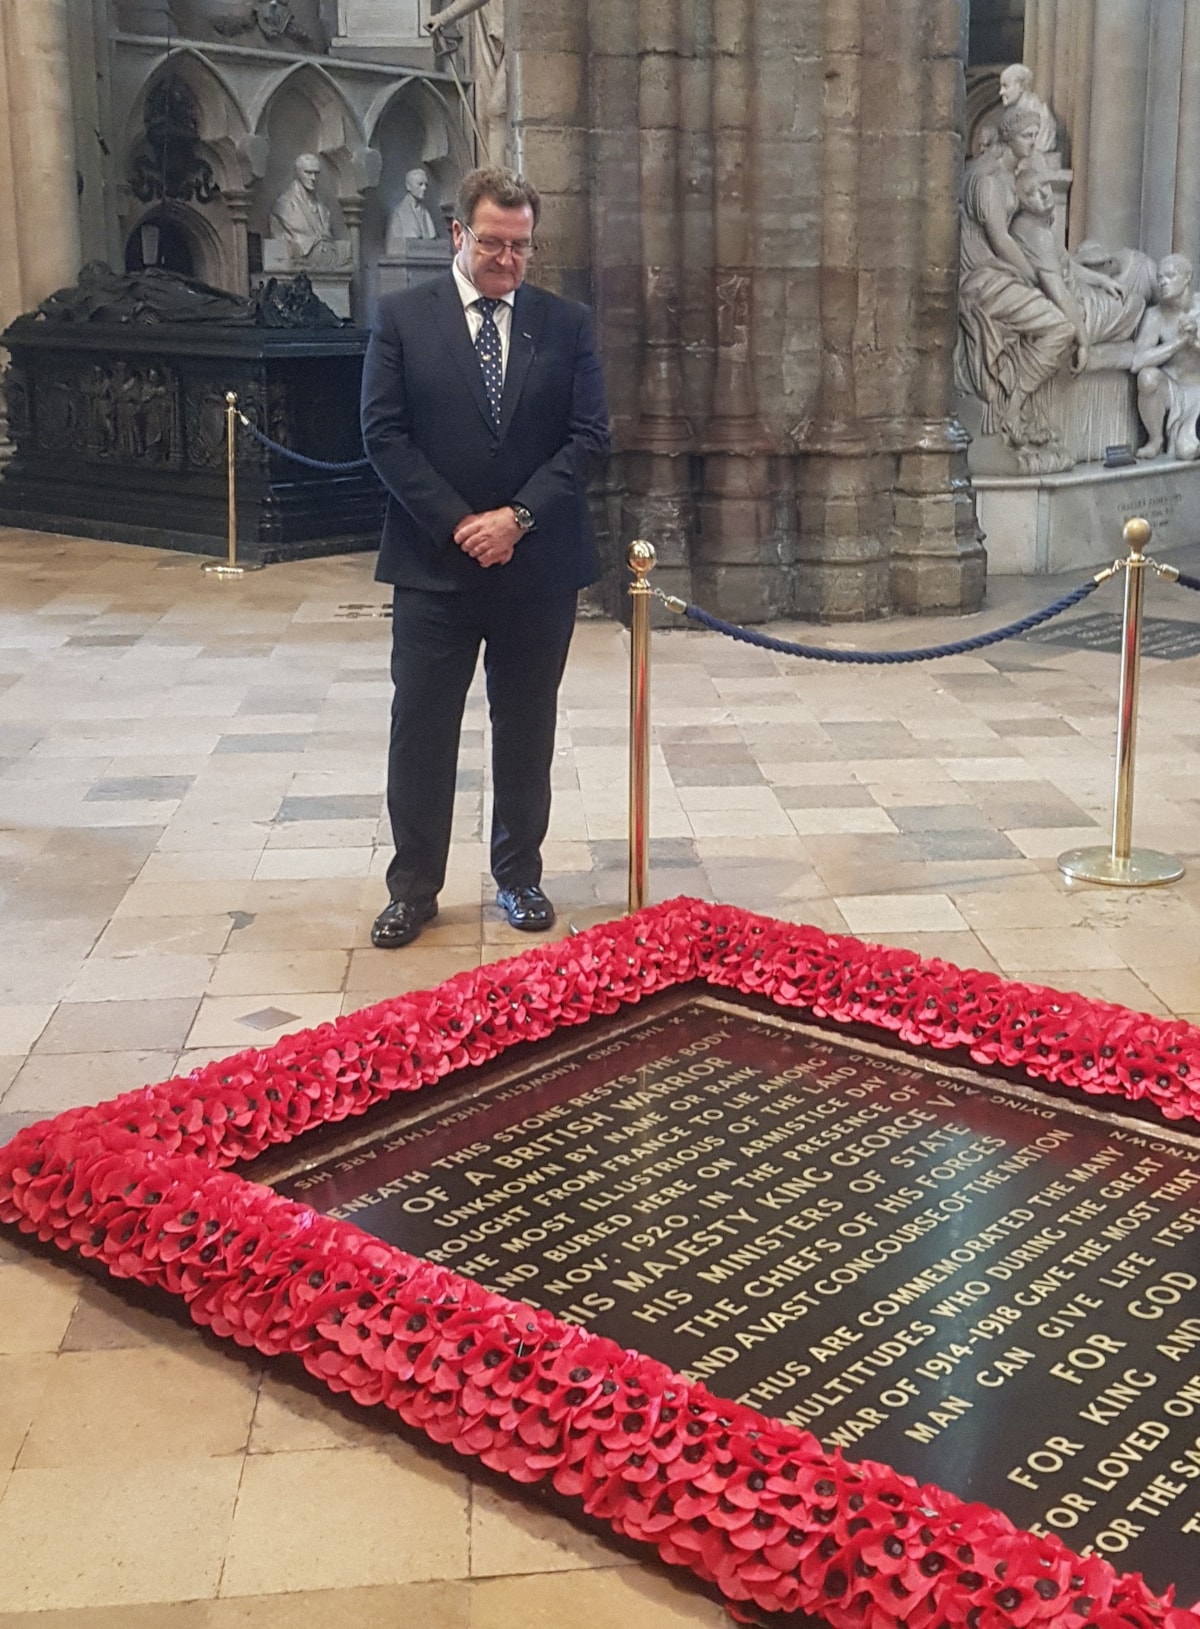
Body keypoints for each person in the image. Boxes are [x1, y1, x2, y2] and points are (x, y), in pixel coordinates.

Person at [362, 166, 611, 948]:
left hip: (536, 568)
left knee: (527, 723)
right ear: (459, 235)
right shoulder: (403, 318)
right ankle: (414, 888)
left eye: (522, 245)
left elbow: (589, 439)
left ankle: (519, 876)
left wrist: (518, 518)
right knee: (422, 726)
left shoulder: (564, 325)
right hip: (434, 565)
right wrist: (461, 522)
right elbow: (383, 434)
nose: (508, 259)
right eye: (494, 242)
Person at [956, 109, 1076, 450]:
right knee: (1061, 327)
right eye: (1027, 135)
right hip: (982, 278)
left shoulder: (1009, 176)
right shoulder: (986, 177)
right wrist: (1034, 279)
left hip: (1000, 273)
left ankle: (1016, 408)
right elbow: (1000, 239)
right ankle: (1013, 407)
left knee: (1060, 317)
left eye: (1035, 134)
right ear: (1008, 136)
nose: (1033, 142)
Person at [1131, 253, 1200, 462]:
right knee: (1147, 377)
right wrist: (1177, 343)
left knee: (1186, 451)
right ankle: (1155, 439)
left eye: (1169, 276)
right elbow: (1137, 362)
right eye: (1159, 277)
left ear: (1187, 277)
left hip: (1198, 393)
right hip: (1173, 390)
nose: (1162, 282)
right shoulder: (1155, 316)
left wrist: (1195, 341)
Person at [268, 153, 339, 265]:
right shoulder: (284, 204)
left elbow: (327, 232)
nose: (313, 178)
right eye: (308, 173)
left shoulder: (322, 207)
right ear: (298, 173)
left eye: (316, 173)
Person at [385, 167, 440, 252]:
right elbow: (393, 247)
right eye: (420, 184)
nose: (424, 188)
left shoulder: (426, 213)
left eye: (426, 184)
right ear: (409, 186)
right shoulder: (398, 213)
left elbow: (432, 236)